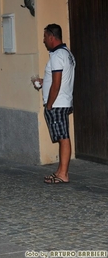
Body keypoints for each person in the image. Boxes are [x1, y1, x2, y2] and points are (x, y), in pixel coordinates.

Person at [32, 24, 76, 184]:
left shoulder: (57, 55)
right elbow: (60, 79)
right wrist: (44, 82)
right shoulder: (67, 53)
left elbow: (57, 83)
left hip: (57, 103)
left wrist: (49, 104)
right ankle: (60, 171)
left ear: (52, 36)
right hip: (63, 101)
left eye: (44, 37)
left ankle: (63, 174)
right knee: (62, 135)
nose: (43, 41)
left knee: (63, 137)